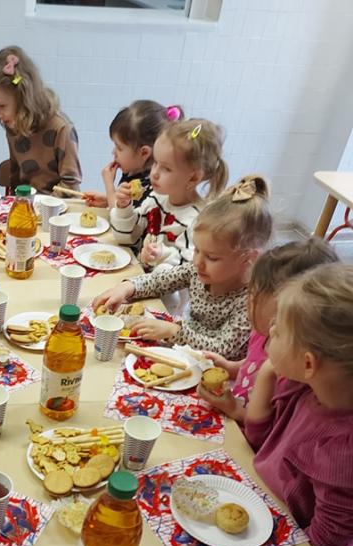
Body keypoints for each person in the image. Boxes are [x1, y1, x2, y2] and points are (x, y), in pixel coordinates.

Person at [93, 175, 272, 360]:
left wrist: (174, 332)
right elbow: (159, 281)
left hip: (214, 370)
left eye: (211, 257)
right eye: (197, 250)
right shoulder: (198, 270)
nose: (198, 262)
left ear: (248, 259)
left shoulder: (249, 302)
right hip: (185, 351)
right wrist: (127, 287)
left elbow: (223, 349)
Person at [245, 263, 353, 546]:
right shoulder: (304, 388)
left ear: (308, 364)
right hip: (258, 503)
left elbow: (327, 542)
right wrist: (267, 375)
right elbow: (259, 442)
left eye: (278, 332)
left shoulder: (342, 450)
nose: (269, 333)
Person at [198, 237, 338, 424]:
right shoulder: (261, 334)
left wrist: (234, 410)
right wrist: (230, 367)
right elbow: (252, 364)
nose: (248, 301)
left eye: (256, 295)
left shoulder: (291, 367)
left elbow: (268, 432)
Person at [110, 118, 227, 275]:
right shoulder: (156, 199)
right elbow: (127, 237)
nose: (154, 173)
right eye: (155, 163)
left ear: (193, 178)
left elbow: (184, 274)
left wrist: (161, 255)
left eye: (166, 168)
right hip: (134, 279)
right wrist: (124, 208)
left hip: (157, 290)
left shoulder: (198, 222)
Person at [0, 45, 81, 194]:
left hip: (58, 205)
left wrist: (40, 205)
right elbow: (16, 177)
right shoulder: (13, 124)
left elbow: (70, 184)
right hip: (28, 203)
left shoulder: (61, 128)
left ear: (23, 98)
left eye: (1, 106)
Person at [83, 101, 183, 209]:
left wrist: (109, 186)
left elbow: (120, 215)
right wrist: (107, 199)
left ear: (144, 153)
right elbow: (125, 206)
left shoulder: (147, 185)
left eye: (119, 148)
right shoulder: (132, 170)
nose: (113, 152)